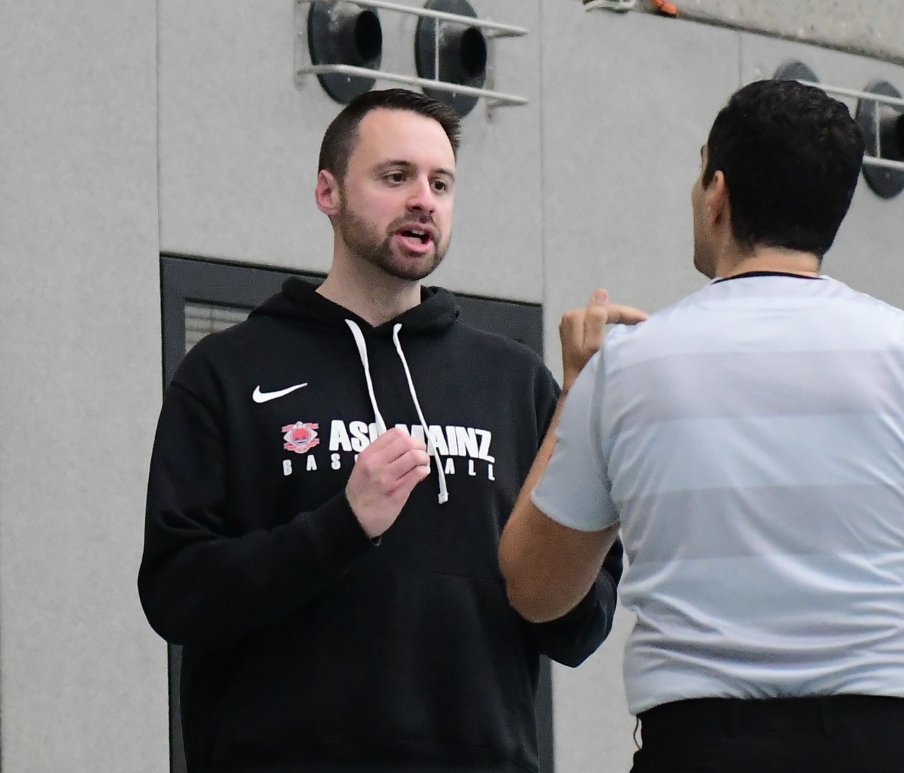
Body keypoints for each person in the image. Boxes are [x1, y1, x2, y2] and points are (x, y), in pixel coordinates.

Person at [498, 79, 904, 772]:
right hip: (887, 745)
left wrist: (575, 389)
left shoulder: (624, 371)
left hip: (702, 747)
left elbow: (537, 590)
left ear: (717, 194)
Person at [138, 88, 622, 773]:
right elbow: (176, 595)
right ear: (327, 192)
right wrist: (340, 525)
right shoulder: (227, 370)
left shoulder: (513, 381)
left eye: (441, 183)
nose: (423, 199)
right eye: (395, 177)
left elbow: (577, 625)